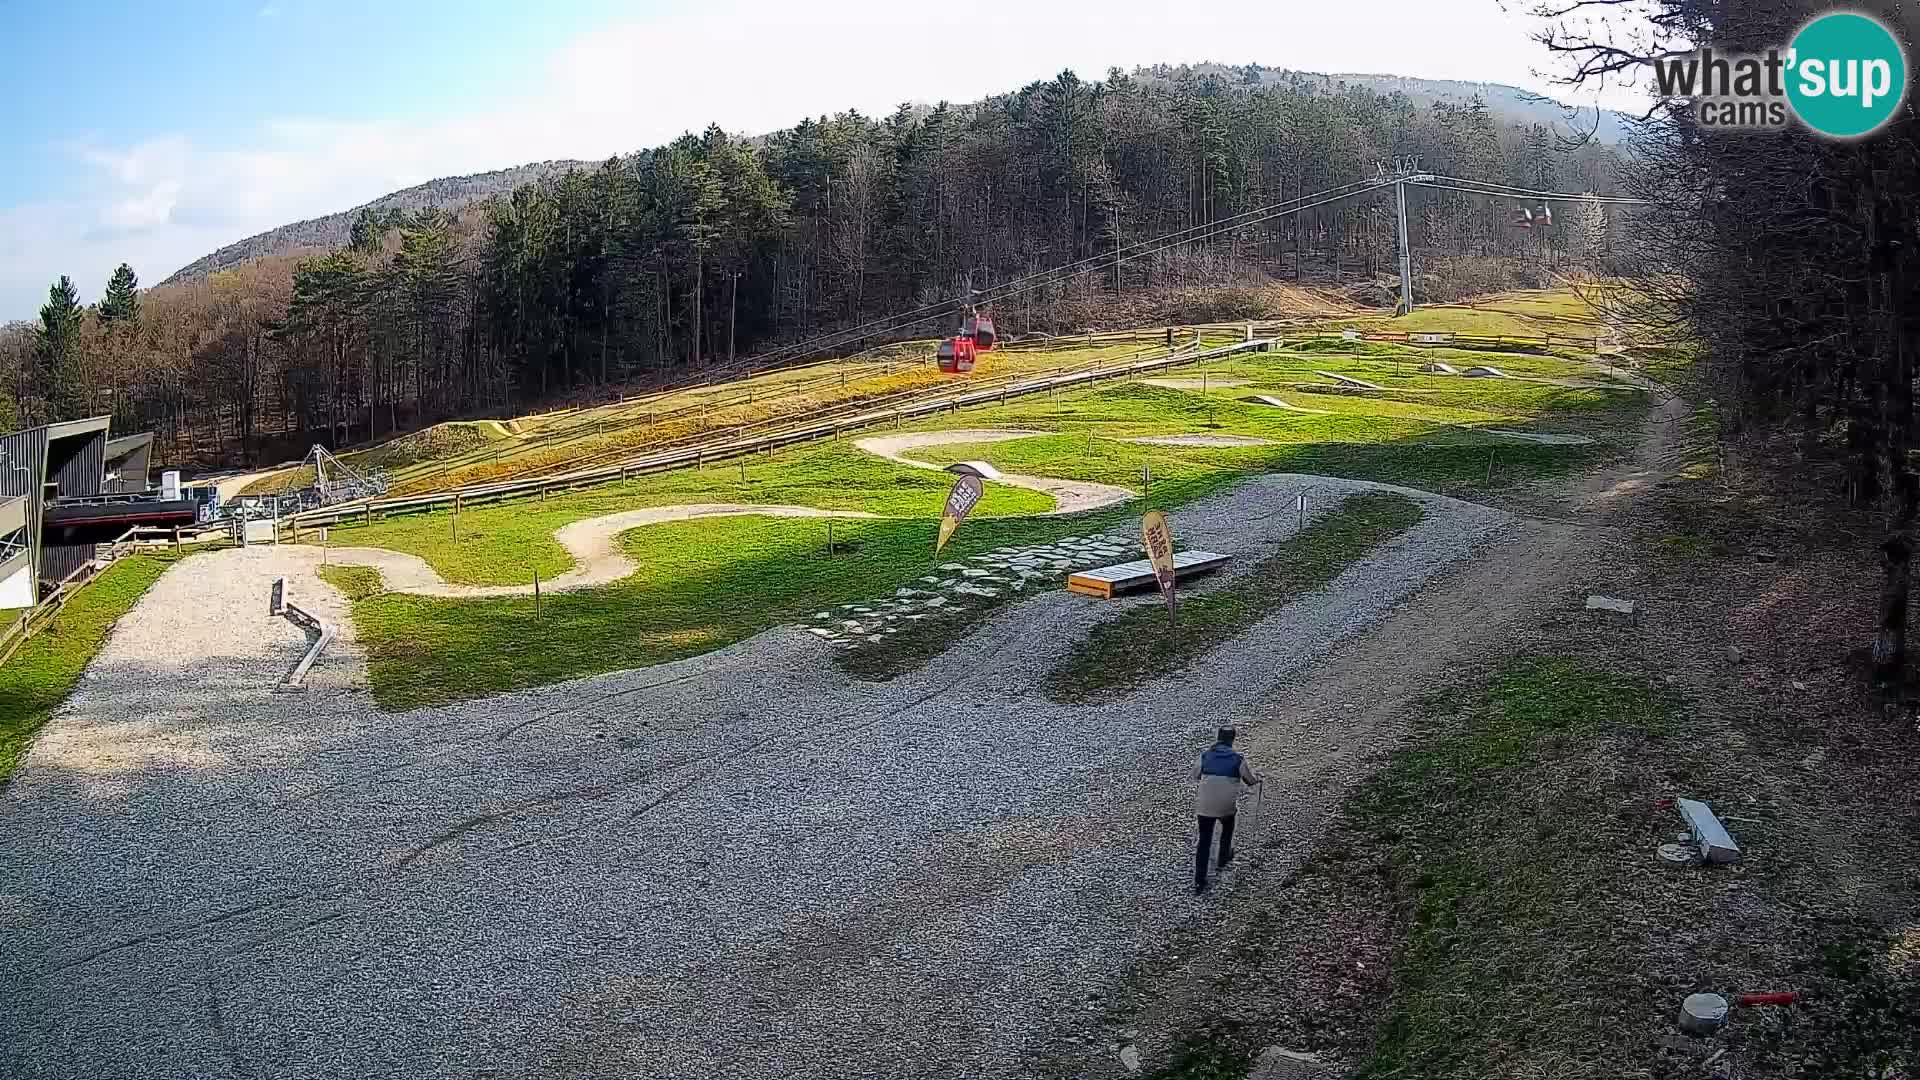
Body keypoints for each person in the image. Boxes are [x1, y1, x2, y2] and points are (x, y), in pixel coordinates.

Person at [1193, 727, 1261, 894]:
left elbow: (1195, 775)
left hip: (1204, 807)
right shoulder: (1238, 759)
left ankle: (1199, 881)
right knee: (1228, 825)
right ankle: (1223, 858)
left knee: (1204, 840)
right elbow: (1250, 781)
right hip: (1225, 807)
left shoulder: (1205, 756)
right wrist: (1258, 778)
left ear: (1218, 738)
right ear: (1232, 739)